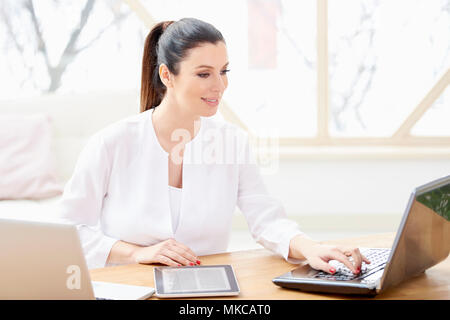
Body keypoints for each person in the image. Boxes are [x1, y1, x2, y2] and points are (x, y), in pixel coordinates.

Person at [58, 17, 370, 274]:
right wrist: (136, 253)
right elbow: (69, 228)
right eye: (204, 74)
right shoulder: (112, 143)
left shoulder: (230, 141)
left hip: (206, 289)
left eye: (224, 71)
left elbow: (266, 218)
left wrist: (312, 248)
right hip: (128, 285)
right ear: (167, 75)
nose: (219, 86)